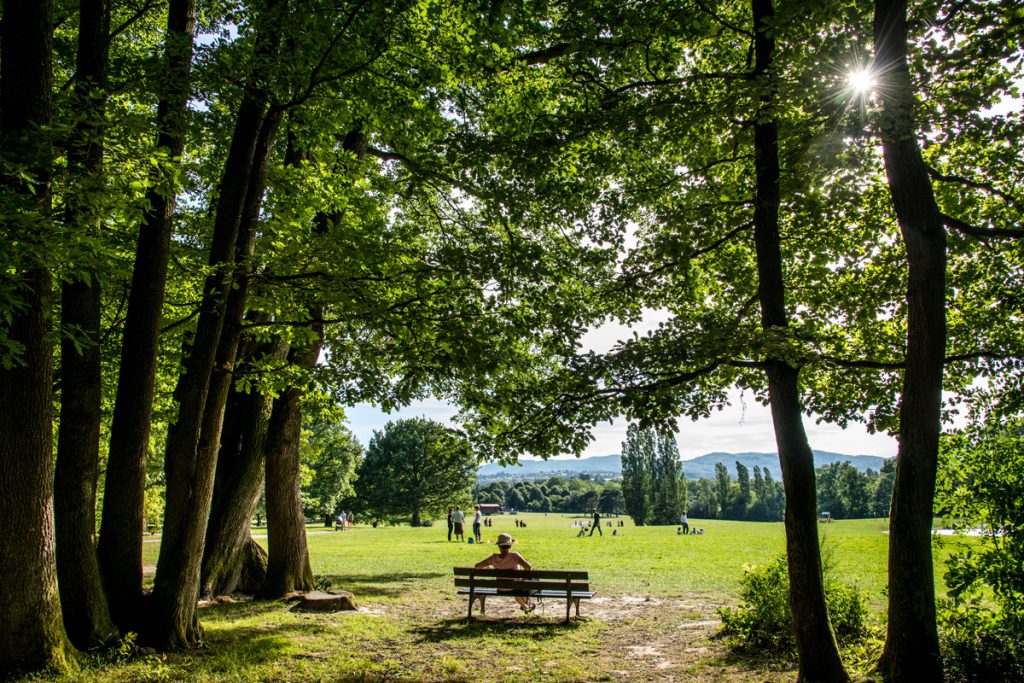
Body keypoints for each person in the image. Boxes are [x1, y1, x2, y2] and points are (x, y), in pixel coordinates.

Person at [474, 533, 534, 613]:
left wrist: (488, 568)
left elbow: (477, 566)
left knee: (518, 588)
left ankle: (526, 607)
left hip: (501, 588)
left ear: (498, 546)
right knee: (524, 585)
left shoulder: (493, 558)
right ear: (510, 546)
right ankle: (526, 605)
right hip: (515, 588)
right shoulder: (515, 556)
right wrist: (523, 579)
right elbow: (528, 567)